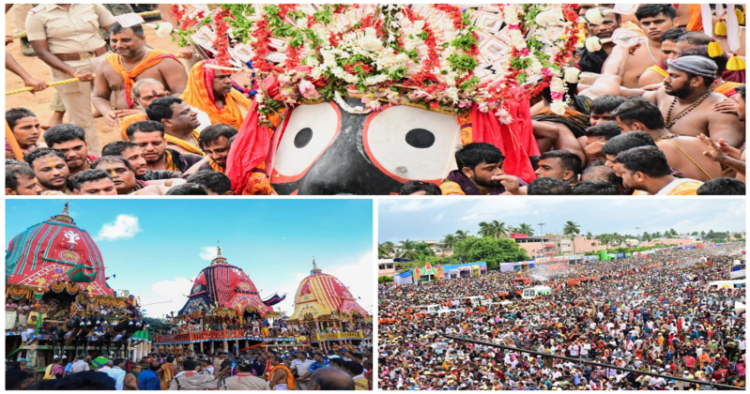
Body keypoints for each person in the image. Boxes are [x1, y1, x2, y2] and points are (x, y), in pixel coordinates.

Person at [26, 4, 118, 156]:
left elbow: (115, 29)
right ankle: (93, 158)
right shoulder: (36, 15)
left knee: (122, 106)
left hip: (103, 60)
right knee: (81, 119)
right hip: (67, 66)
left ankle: (133, 151)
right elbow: (41, 52)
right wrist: (71, 71)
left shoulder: (92, 4)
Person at [93, 22, 187, 127]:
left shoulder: (165, 62)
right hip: (129, 126)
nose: (118, 45)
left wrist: (148, 113)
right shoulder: (106, 65)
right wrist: (107, 112)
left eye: (126, 40)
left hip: (167, 124)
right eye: (114, 41)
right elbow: (99, 97)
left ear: (142, 39)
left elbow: (183, 94)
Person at [613, 96, 723, 181]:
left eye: (621, 129)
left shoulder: (653, 151)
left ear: (637, 127)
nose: (621, 133)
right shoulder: (697, 141)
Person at [603, 4, 679, 88]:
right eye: (646, 23)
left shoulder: (689, 47)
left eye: (658, 22)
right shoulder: (626, 48)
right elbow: (607, 81)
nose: (652, 27)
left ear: (675, 22)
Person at [181, 59, 253, 129]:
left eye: (228, 76)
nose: (229, 81)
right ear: (204, 80)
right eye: (221, 77)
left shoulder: (236, 97)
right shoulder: (184, 106)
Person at [440, 143, 526, 195]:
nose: (499, 172)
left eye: (500, 167)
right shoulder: (450, 186)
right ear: (468, 171)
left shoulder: (511, 182)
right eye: (490, 169)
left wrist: (518, 192)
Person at [615, 146, 703, 195]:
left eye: (624, 173)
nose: (621, 176)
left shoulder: (689, 193)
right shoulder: (641, 192)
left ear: (639, 176)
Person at [127, 121, 203, 173]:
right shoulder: (124, 168)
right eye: (142, 145)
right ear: (130, 145)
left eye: (156, 143)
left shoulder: (193, 161)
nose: (150, 148)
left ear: (165, 142)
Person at [101, 140, 183, 181]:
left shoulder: (145, 176)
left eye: (142, 156)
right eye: (134, 158)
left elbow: (179, 176)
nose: (143, 162)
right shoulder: (100, 184)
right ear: (113, 162)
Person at [578, 7, 621, 74]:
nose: (602, 28)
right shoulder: (581, 56)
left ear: (619, 22)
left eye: (607, 23)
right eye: (594, 25)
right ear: (586, 28)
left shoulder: (635, 47)